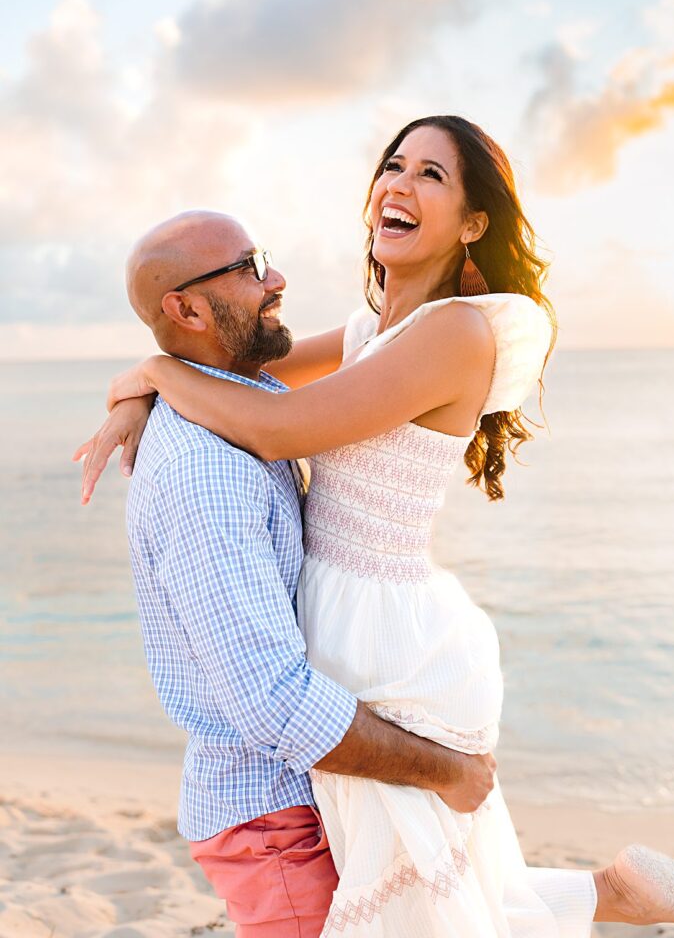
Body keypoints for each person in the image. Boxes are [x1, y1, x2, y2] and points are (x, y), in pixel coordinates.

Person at [77, 116, 674, 937]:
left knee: (401, 891)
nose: (397, 184)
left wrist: (151, 372)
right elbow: (240, 375)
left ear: (473, 225)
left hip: (379, 625)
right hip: (340, 614)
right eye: (393, 165)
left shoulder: (453, 331)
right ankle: (603, 894)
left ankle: (604, 897)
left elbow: (277, 426)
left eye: (431, 175)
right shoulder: (374, 334)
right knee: (410, 885)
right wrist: (146, 383)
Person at [74, 209, 499, 938]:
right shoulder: (208, 472)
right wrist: (444, 771)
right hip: (274, 821)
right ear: (186, 308)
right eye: (247, 268)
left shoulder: (244, 403)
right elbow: (273, 704)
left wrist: (149, 378)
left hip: (298, 800)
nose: (275, 278)